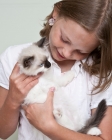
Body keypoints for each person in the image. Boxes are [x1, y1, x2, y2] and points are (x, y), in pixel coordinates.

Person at [0, 0, 112, 139]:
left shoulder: (98, 72)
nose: (66, 53)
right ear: (56, 14)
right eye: (65, 39)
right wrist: (13, 99)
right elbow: (2, 133)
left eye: (81, 51)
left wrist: (48, 126)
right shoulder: (12, 58)